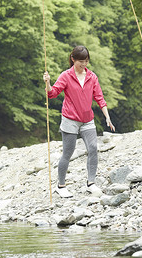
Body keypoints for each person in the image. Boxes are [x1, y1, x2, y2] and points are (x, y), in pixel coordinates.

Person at [43, 45, 115, 198]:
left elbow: (100, 98)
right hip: (70, 119)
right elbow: (53, 93)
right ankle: (61, 185)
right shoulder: (66, 76)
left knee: (93, 148)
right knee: (68, 152)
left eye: (86, 61)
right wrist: (48, 83)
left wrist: (107, 117)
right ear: (73, 59)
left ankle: (91, 183)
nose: (83, 64)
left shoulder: (92, 77)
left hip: (87, 119)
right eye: (81, 61)